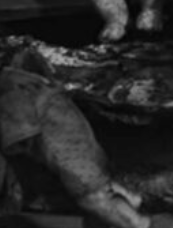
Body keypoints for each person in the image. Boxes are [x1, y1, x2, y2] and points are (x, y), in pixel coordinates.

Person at [0, 49, 153, 228]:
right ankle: (129, 207)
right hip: (60, 134)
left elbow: (20, 139)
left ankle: (139, 223)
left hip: (59, 138)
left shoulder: (15, 91)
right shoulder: (17, 84)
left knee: (94, 198)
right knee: (96, 192)